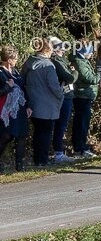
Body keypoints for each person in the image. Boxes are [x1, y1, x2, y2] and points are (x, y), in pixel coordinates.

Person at [22, 38, 64, 167]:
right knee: (45, 133)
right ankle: (43, 160)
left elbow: (23, 80)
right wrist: (61, 92)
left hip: (33, 102)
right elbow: (54, 86)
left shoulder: (28, 62)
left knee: (38, 132)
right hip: (47, 104)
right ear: (47, 49)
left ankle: (37, 159)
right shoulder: (48, 65)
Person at [0, 46, 30, 173]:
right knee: (6, 136)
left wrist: (28, 105)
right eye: (15, 59)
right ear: (8, 59)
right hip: (6, 111)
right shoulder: (1, 73)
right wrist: (8, 87)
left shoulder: (16, 72)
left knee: (21, 136)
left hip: (20, 109)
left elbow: (23, 88)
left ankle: (20, 165)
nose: (17, 61)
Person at [48, 36, 77, 164]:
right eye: (60, 48)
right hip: (63, 96)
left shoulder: (62, 60)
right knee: (60, 126)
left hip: (67, 95)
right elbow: (69, 78)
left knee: (62, 126)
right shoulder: (56, 61)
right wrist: (75, 72)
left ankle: (58, 151)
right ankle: (58, 153)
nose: (63, 51)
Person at [70, 37, 99, 158]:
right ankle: (80, 147)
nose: (92, 53)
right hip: (82, 96)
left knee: (83, 123)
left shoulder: (82, 61)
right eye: (90, 51)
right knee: (81, 123)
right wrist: (100, 73)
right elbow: (91, 79)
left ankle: (81, 146)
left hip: (85, 96)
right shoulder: (79, 62)